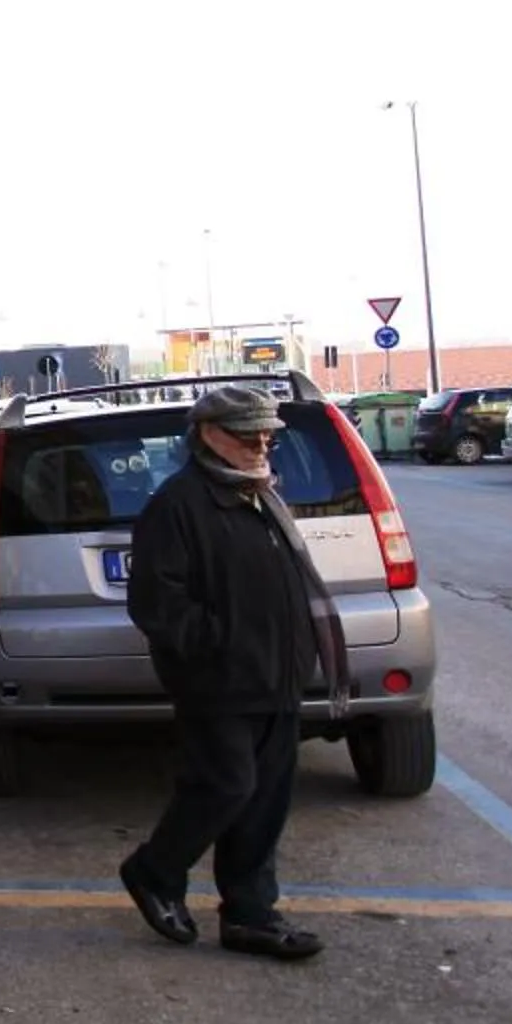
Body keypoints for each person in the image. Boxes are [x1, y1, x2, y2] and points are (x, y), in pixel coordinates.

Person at [117, 383, 348, 962]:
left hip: (278, 674)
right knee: (226, 786)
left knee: (265, 799)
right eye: (249, 434)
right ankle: (154, 871)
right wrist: (220, 646)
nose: (262, 443)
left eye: (268, 434)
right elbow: (157, 604)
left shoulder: (260, 494)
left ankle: (249, 915)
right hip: (220, 679)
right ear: (208, 436)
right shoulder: (179, 505)